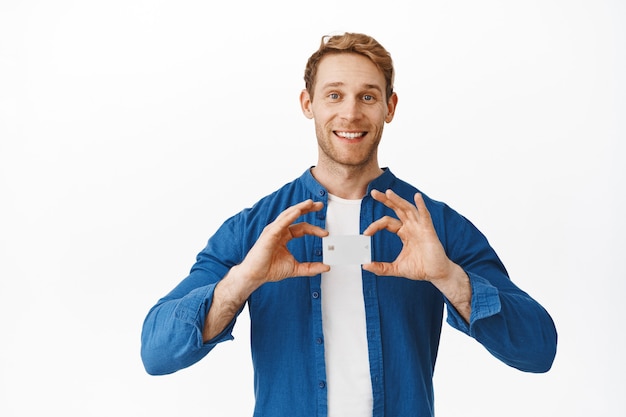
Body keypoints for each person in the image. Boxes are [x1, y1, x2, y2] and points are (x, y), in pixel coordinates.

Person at [141, 32, 557, 417]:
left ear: (390, 107)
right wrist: (242, 280)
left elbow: (539, 350)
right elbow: (156, 353)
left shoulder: (434, 226)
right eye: (334, 95)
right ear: (309, 104)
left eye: (368, 97)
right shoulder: (255, 230)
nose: (351, 112)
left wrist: (450, 278)